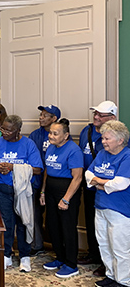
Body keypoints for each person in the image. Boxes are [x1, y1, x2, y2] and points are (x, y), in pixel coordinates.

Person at [0, 115, 43, 273]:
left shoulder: (28, 144)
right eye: (3, 129)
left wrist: (14, 167)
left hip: (23, 191)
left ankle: (24, 256)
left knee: (23, 222)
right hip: (3, 189)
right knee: (6, 224)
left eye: (8, 130)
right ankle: (6, 254)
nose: (4, 132)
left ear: (18, 130)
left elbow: (37, 169)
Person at [85, 120, 130, 287]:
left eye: (107, 138)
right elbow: (88, 175)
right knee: (104, 244)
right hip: (100, 206)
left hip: (120, 210)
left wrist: (99, 183)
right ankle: (111, 276)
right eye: (103, 138)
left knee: (120, 248)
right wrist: (102, 182)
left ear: (120, 140)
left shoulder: (127, 156)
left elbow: (120, 184)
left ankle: (123, 281)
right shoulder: (102, 154)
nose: (103, 141)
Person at [78, 100, 117, 277]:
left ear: (112, 118)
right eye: (96, 113)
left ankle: (107, 263)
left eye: (101, 115)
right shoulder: (86, 131)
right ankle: (94, 254)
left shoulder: (118, 137)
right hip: (88, 185)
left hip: (107, 189)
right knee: (92, 222)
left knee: (109, 228)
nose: (96, 117)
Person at [40, 119, 83, 278]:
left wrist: (66, 199)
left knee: (67, 227)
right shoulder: (51, 147)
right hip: (50, 189)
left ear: (66, 135)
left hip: (66, 191)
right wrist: (43, 192)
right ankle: (60, 257)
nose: (50, 135)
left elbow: (77, 178)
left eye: (55, 133)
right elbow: (47, 170)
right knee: (53, 226)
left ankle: (71, 264)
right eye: (50, 132)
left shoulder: (74, 150)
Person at [28, 105, 61, 256]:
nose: (41, 117)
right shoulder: (35, 135)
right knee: (34, 214)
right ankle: (37, 245)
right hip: (36, 180)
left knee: (55, 216)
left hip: (55, 181)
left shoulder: (61, 136)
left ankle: (58, 247)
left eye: (45, 115)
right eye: (41, 115)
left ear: (54, 119)